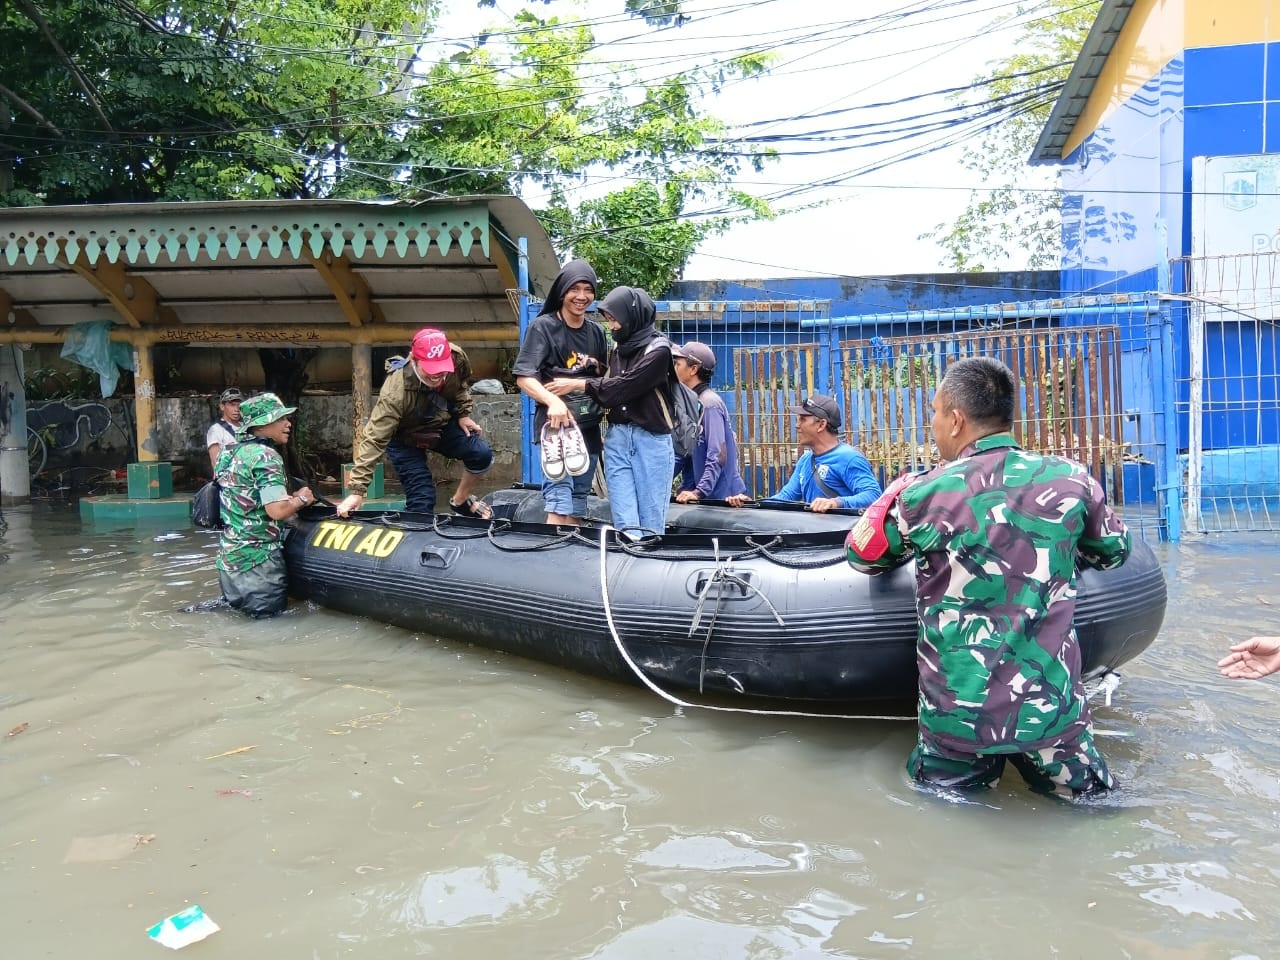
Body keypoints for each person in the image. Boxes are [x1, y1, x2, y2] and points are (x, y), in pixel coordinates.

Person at [846, 357, 1131, 799]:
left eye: (935, 413)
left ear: (957, 420)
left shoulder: (925, 492)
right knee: (1096, 811)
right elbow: (1115, 553)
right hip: (1050, 715)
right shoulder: (1074, 481)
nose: (934, 424)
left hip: (958, 718)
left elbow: (863, 556)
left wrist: (891, 492)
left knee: (944, 823)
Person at [548, 286, 674, 535]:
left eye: (615, 319)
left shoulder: (659, 350)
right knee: (625, 522)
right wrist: (596, 367)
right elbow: (613, 379)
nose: (612, 326)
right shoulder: (620, 347)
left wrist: (578, 383)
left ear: (632, 317)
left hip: (650, 440)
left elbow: (625, 386)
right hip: (618, 438)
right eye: (609, 320)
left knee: (649, 523)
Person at [336, 328, 494, 519]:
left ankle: (460, 500)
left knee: (481, 453)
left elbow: (460, 386)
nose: (436, 376)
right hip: (403, 438)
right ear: (413, 360)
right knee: (422, 499)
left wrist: (463, 414)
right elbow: (374, 440)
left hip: (439, 423)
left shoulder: (456, 358)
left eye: (441, 370)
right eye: (430, 371)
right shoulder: (395, 393)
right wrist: (357, 491)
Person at [511, 259, 607, 524]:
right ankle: (552, 554)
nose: (582, 296)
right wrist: (552, 400)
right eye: (575, 289)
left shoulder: (596, 332)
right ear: (562, 291)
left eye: (588, 290)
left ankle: (573, 557)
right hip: (555, 429)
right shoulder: (543, 327)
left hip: (587, 427)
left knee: (578, 499)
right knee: (559, 498)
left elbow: (602, 377)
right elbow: (524, 377)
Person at [215, 392, 315, 618]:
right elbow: (276, 511)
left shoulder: (228, 452)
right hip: (259, 563)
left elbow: (247, 502)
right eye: (280, 419)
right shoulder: (265, 455)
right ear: (260, 426)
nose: (288, 424)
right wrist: (302, 498)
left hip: (229, 561)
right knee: (269, 629)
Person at [727, 394, 881, 512]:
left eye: (802, 419)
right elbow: (786, 497)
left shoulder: (849, 458)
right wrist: (752, 504)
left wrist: (836, 502)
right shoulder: (806, 459)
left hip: (841, 542)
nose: (797, 425)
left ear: (821, 424)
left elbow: (873, 495)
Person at [670, 341, 747, 503]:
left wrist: (699, 492)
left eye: (677, 364)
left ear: (693, 369)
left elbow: (717, 455)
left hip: (726, 499)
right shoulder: (690, 404)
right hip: (705, 496)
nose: (673, 368)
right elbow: (683, 454)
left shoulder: (709, 405)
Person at [206, 387, 243, 468]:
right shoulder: (216, 430)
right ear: (222, 406)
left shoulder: (247, 427)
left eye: (239, 405)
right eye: (232, 405)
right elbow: (216, 464)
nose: (237, 409)